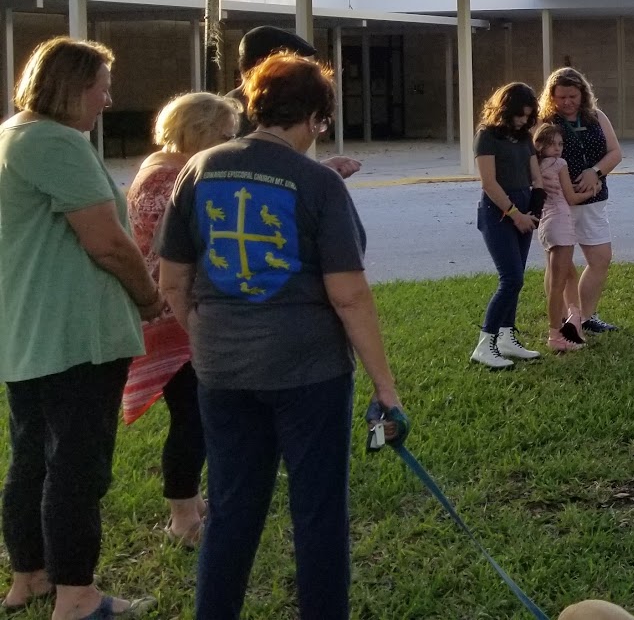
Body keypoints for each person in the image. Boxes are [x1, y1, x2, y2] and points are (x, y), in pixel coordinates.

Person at [155, 52, 405, 620]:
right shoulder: (318, 184)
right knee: (318, 511)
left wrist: (207, 339)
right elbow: (348, 295)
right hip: (309, 372)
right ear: (317, 117)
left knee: (232, 507)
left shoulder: (198, 169)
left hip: (221, 372)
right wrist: (385, 388)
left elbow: (172, 281)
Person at [1, 38, 161, 620]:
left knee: (32, 460)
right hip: (75, 334)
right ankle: (77, 596)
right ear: (70, 86)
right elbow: (108, 243)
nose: (109, 97)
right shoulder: (55, 141)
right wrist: (148, 298)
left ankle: (31, 578)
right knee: (77, 466)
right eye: (102, 85)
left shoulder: (14, 134)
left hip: (29, 333)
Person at [124, 91, 241, 549]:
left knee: (197, 416)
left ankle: (191, 502)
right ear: (196, 131)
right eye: (224, 136)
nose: (230, 144)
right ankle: (181, 517)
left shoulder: (172, 168)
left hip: (180, 311)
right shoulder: (166, 178)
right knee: (191, 417)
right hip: (172, 314)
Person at [539, 68, 622, 333]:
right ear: (551, 96)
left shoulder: (597, 117)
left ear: (582, 94)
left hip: (594, 199)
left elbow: (615, 153)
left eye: (572, 96)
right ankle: (563, 320)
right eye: (561, 96)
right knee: (560, 264)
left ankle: (585, 317)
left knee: (601, 258)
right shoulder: (546, 122)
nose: (567, 102)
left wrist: (594, 172)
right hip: (558, 203)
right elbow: (535, 159)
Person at [470, 83, 543, 369]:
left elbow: (535, 176)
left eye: (528, 116)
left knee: (517, 278)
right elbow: (489, 183)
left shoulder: (524, 137)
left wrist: (533, 211)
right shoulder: (486, 136)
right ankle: (484, 343)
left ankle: (506, 337)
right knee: (511, 278)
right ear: (505, 110)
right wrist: (515, 214)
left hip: (525, 207)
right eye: (519, 115)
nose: (524, 121)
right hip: (498, 211)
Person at [230, 25, 361, 179]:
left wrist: (320, 169)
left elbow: (278, 167)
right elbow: (258, 174)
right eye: (289, 63)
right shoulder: (235, 112)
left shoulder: (267, 104)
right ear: (264, 65)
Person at [533, 122, 590, 351]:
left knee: (568, 274)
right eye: (550, 144)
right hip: (561, 223)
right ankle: (555, 335)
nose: (557, 148)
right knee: (558, 284)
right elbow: (571, 198)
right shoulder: (559, 164)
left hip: (546, 226)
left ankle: (572, 320)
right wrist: (591, 191)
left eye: (560, 144)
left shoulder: (535, 166)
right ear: (539, 145)